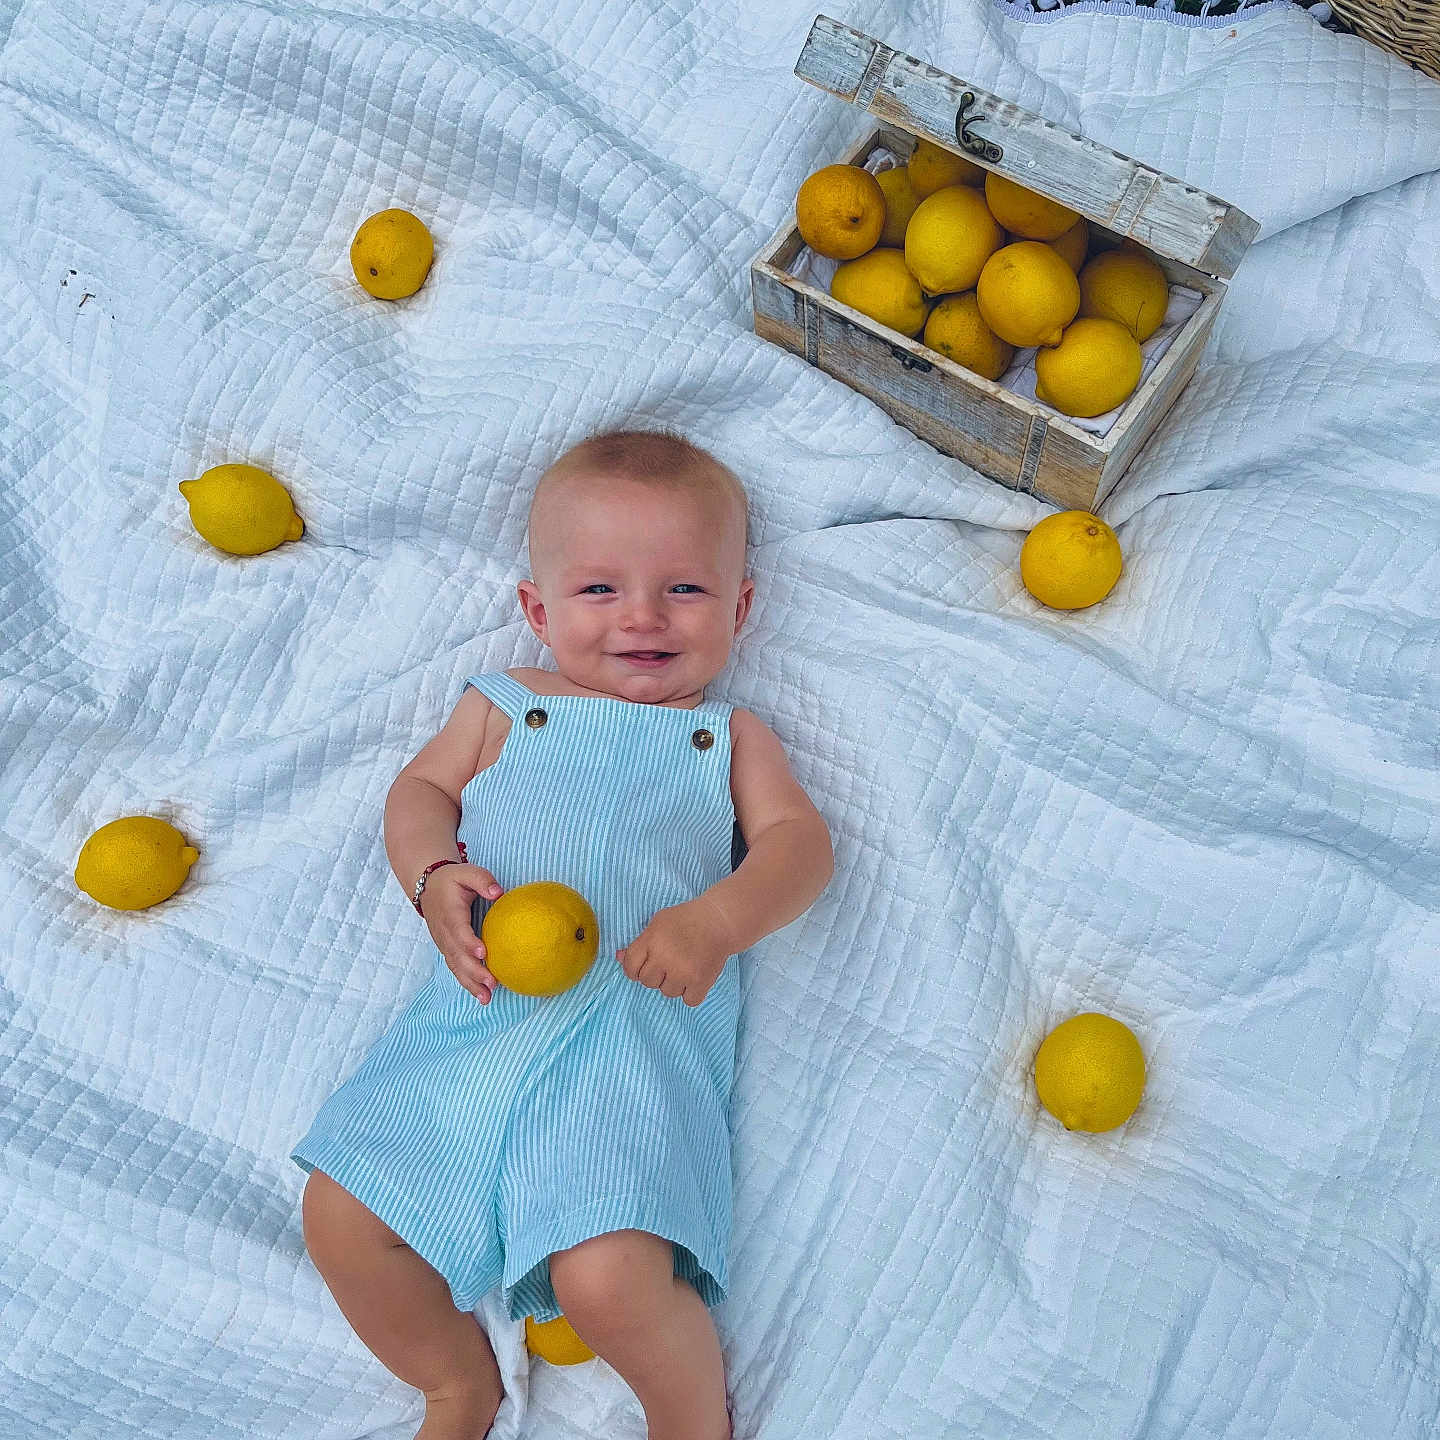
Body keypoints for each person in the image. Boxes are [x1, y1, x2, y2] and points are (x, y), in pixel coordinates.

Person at [292, 427, 835, 1440]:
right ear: (537, 610)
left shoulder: (725, 738)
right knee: (340, 1213)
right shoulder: (504, 705)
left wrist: (719, 918)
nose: (640, 616)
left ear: (741, 609)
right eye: (598, 592)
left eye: (684, 590)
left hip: (630, 1050)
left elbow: (801, 849)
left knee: (607, 1278)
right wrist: (435, 875)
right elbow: (418, 793)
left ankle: (688, 1418)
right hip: (477, 1026)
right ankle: (457, 1384)